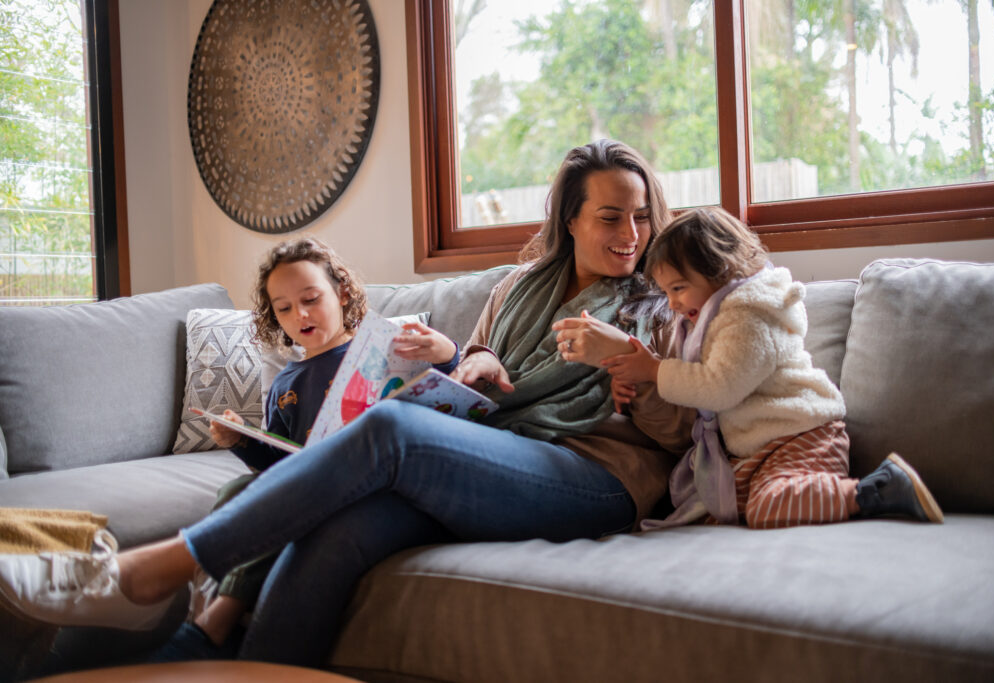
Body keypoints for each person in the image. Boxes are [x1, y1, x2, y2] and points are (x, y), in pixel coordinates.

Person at [0, 140, 694, 667]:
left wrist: (632, 368)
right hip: (497, 454)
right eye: (611, 217)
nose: (631, 234)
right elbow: (478, 373)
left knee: (392, 428)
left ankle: (154, 570)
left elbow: (678, 433)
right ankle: (210, 651)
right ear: (570, 219)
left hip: (595, 478)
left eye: (640, 217)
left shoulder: (659, 302)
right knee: (341, 527)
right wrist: (472, 361)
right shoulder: (518, 287)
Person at [155, 236, 460, 660]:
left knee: (286, 503)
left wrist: (448, 354)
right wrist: (242, 440)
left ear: (343, 293)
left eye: (311, 299)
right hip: (309, 487)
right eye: (283, 308)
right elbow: (278, 464)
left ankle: (216, 623)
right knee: (236, 491)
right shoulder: (287, 382)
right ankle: (223, 617)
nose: (299, 315)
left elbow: (448, 390)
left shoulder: (386, 349)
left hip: (378, 488)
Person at [593, 207, 944, 529]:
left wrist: (654, 371)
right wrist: (639, 381)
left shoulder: (749, 316)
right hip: (759, 447)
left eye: (679, 288)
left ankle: (876, 489)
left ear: (719, 270)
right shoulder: (709, 320)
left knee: (766, 508)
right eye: (667, 291)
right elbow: (691, 382)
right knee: (712, 510)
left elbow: (718, 387)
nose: (672, 303)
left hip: (803, 434)